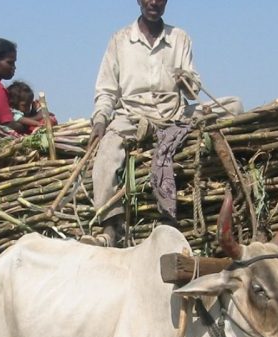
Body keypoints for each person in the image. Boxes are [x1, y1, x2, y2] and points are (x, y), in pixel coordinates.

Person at [82, 0, 203, 247]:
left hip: (174, 114)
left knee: (234, 105)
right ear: (138, 1)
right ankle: (110, 227)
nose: (154, 2)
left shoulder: (180, 38)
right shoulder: (120, 39)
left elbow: (194, 92)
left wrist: (186, 81)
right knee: (106, 153)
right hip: (132, 115)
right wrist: (100, 120)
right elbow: (106, 90)